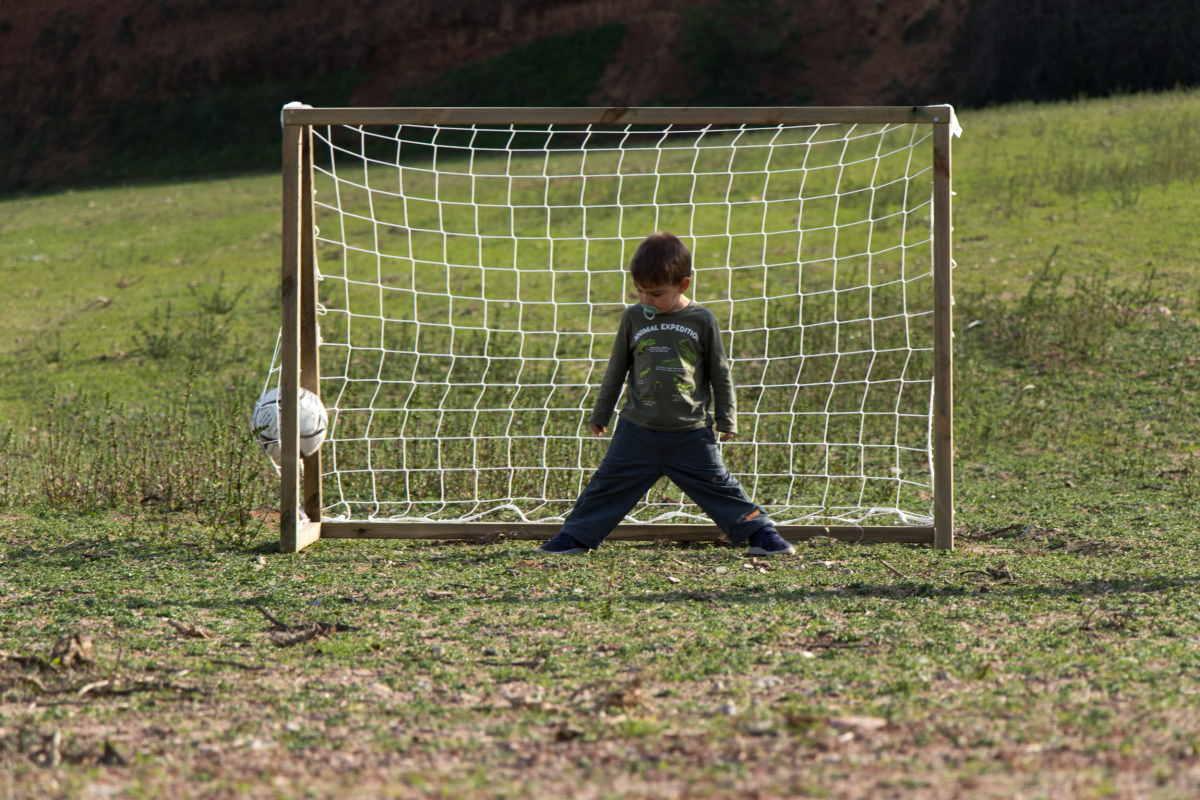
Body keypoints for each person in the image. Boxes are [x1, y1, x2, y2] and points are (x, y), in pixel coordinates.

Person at [539, 232, 795, 556]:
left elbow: (720, 372)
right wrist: (600, 414)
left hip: (689, 432)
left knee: (720, 487)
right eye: (640, 292)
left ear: (683, 284)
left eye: (656, 294)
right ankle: (574, 537)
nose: (647, 300)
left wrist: (726, 417)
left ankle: (763, 534)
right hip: (636, 431)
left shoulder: (702, 320)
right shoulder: (633, 317)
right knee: (606, 486)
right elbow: (616, 369)